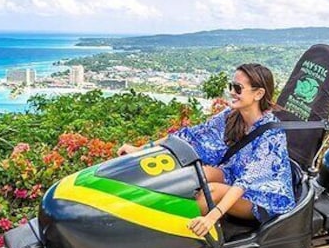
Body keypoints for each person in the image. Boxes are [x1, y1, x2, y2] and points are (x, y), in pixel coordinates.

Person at [117, 63, 296, 237]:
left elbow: (247, 181)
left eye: (238, 88)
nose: (232, 92)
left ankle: (165, 229)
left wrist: (212, 217)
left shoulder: (271, 134)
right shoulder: (231, 115)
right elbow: (190, 135)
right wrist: (141, 149)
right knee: (194, 174)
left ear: (258, 93)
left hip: (263, 195)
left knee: (212, 192)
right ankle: (146, 209)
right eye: (231, 86)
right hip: (233, 174)